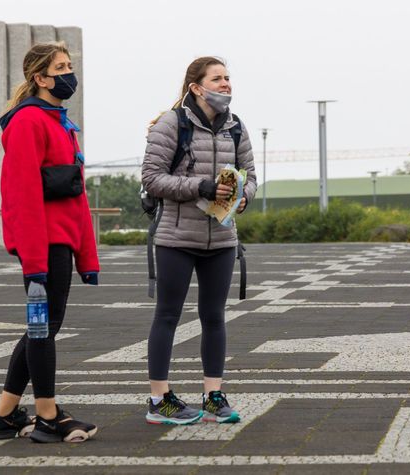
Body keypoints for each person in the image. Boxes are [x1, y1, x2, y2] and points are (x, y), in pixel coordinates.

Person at [0, 42, 99, 443]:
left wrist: (87, 256)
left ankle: (4, 416)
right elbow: (22, 197)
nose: (70, 74)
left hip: (59, 244)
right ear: (40, 78)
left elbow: (76, 196)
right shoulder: (29, 122)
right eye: (61, 67)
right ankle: (48, 415)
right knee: (43, 328)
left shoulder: (60, 123)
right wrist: (33, 262)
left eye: (70, 66)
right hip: (43, 246)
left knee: (41, 328)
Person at [141, 56, 257, 425]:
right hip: (176, 237)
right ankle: (159, 400)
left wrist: (244, 196)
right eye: (217, 79)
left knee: (214, 317)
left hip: (221, 240)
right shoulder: (170, 124)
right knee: (167, 316)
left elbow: (251, 176)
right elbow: (152, 178)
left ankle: (213, 396)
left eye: (228, 78)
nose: (226, 85)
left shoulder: (236, 127)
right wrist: (200, 187)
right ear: (196, 87)